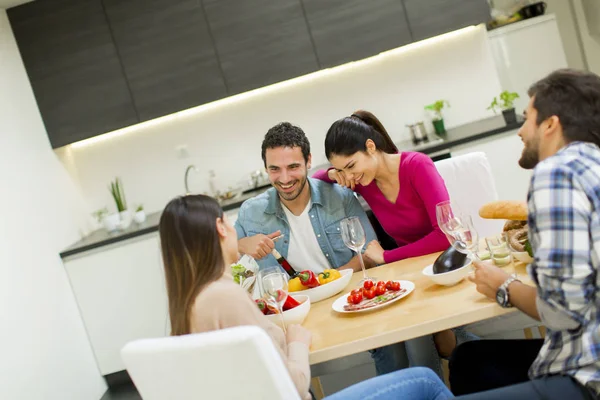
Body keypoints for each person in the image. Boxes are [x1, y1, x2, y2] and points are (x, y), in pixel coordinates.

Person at [158, 194, 454, 400]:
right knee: (425, 381)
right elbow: (293, 388)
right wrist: (297, 342)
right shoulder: (225, 297)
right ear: (220, 228)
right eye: (228, 221)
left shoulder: (188, 304)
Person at [449, 69, 600, 399]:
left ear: (550, 124)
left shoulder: (555, 173)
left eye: (526, 117)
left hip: (588, 375)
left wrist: (503, 285)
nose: (519, 130)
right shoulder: (593, 164)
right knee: (468, 359)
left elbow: (562, 312)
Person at [312, 111, 475, 376]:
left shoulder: (417, 166)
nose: (349, 176)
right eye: (343, 170)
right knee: (414, 333)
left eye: (351, 166)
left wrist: (387, 257)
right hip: (410, 274)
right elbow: (316, 178)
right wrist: (334, 173)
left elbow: (445, 234)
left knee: (417, 333)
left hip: (446, 264)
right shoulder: (364, 181)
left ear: (371, 147)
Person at [234, 122, 377, 274]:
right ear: (266, 168)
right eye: (274, 169)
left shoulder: (341, 197)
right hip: (288, 298)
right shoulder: (250, 211)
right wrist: (241, 245)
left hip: (344, 294)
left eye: (293, 167)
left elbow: (369, 253)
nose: (285, 179)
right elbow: (216, 258)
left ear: (308, 161)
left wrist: (329, 280)